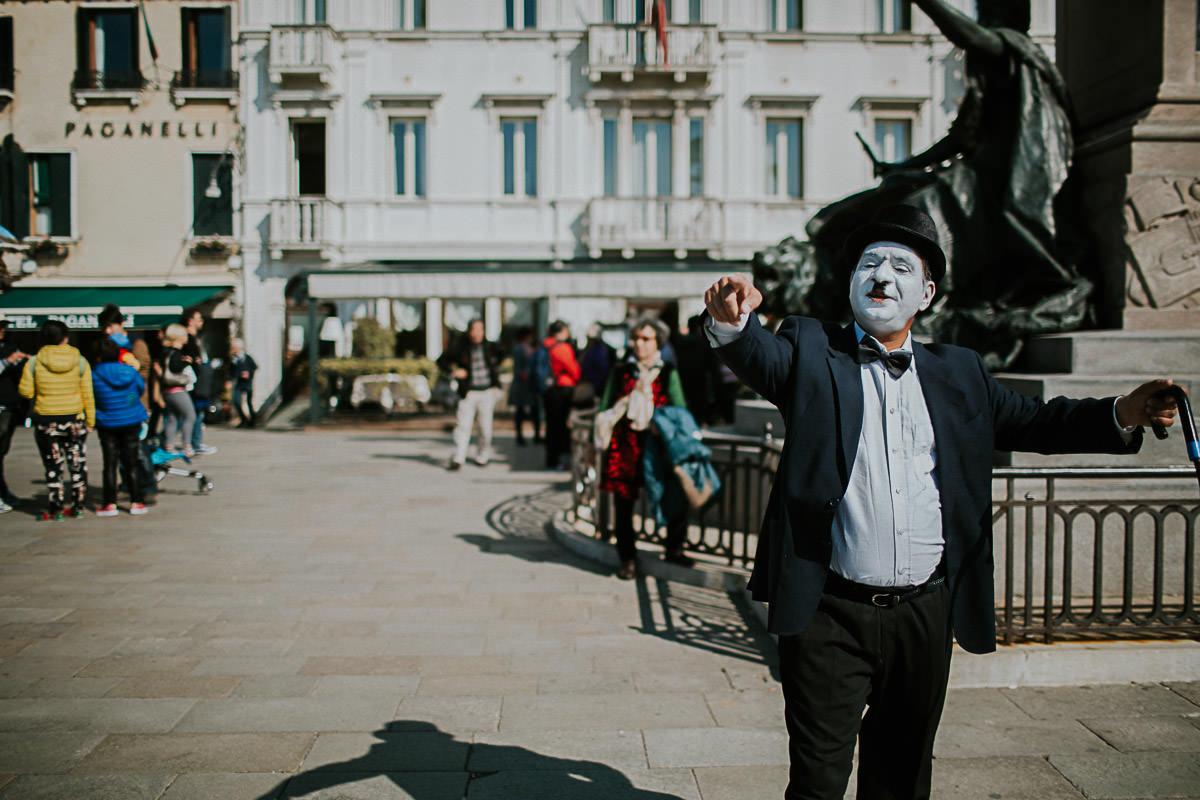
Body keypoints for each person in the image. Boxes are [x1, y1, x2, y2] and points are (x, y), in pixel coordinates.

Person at [703, 204, 1180, 800]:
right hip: (830, 612)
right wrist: (731, 321)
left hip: (923, 613)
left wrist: (1123, 412)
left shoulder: (960, 372)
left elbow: (1036, 423)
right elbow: (757, 357)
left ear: (925, 294)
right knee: (819, 779)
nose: (882, 275)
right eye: (869, 263)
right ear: (852, 282)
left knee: (902, 776)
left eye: (900, 266)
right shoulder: (808, 347)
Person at [597, 317, 692, 579]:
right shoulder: (621, 371)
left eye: (646, 339)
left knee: (674, 496)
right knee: (624, 505)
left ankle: (674, 548)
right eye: (636, 338)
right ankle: (627, 558)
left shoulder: (668, 371)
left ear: (657, 342)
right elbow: (605, 406)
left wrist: (661, 423)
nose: (639, 344)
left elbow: (679, 409)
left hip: (659, 447)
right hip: (625, 447)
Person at [19, 320, 95, 521]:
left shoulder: (34, 362)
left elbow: (25, 392)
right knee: (77, 464)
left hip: (46, 420)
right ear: (66, 337)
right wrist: (91, 420)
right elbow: (88, 392)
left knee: (53, 465)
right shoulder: (80, 361)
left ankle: (56, 509)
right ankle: (78, 506)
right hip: (74, 420)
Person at [92, 338, 148, 517]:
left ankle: (109, 504)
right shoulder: (130, 372)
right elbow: (139, 389)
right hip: (131, 420)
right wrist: (128, 403)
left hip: (107, 422)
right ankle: (137, 502)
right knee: (131, 462)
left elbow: (92, 395)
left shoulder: (94, 374)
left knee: (110, 462)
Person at [437, 318, 503, 470]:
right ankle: (459, 457)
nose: (477, 333)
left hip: (486, 392)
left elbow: (501, 355)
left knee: (485, 428)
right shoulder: (460, 347)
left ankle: (482, 455)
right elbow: (441, 361)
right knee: (463, 426)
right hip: (467, 392)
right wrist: (454, 372)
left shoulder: (490, 346)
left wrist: (494, 370)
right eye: (474, 329)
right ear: (469, 331)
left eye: (480, 329)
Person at [540, 320, 581, 470]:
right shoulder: (562, 347)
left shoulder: (545, 345)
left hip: (549, 389)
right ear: (562, 331)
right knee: (562, 427)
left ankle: (551, 459)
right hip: (562, 389)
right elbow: (574, 369)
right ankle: (560, 460)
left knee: (551, 426)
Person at [98, 303, 151, 411]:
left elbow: (144, 371)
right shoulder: (102, 345)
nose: (107, 331)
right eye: (104, 327)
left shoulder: (136, 343)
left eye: (110, 326)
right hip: (110, 401)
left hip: (133, 400)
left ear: (121, 324)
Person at [0, 320, 28, 512]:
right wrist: (6, 362)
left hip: (9, 407)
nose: (3, 330)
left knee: (1, 453)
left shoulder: (8, 346)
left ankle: (3, 492)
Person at [181, 308, 217, 455]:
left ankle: (194, 443)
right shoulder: (188, 339)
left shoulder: (195, 338)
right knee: (190, 415)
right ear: (190, 321)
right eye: (199, 319)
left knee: (195, 414)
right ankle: (192, 444)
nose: (201, 322)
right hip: (191, 383)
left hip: (197, 383)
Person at [159, 323, 197, 457]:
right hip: (177, 390)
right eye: (185, 335)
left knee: (172, 417)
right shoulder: (175, 352)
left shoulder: (165, 351)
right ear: (179, 337)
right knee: (190, 415)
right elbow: (175, 368)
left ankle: (168, 445)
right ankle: (187, 446)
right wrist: (186, 362)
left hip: (168, 390)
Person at [508, 326, 541, 446]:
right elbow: (520, 367)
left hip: (529, 384)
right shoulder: (519, 349)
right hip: (522, 385)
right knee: (521, 411)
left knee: (534, 410)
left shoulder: (528, 348)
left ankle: (536, 435)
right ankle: (520, 436)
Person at [227, 338, 258, 428]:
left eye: (234, 347)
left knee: (249, 402)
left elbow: (255, 367)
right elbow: (230, 371)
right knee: (236, 401)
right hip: (238, 383)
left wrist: (249, 373)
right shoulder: (233, 359)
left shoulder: (247, 358)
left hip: (247, 383)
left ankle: (253, 420)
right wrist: (229, 380)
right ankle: (244, 419)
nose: (233, 349)